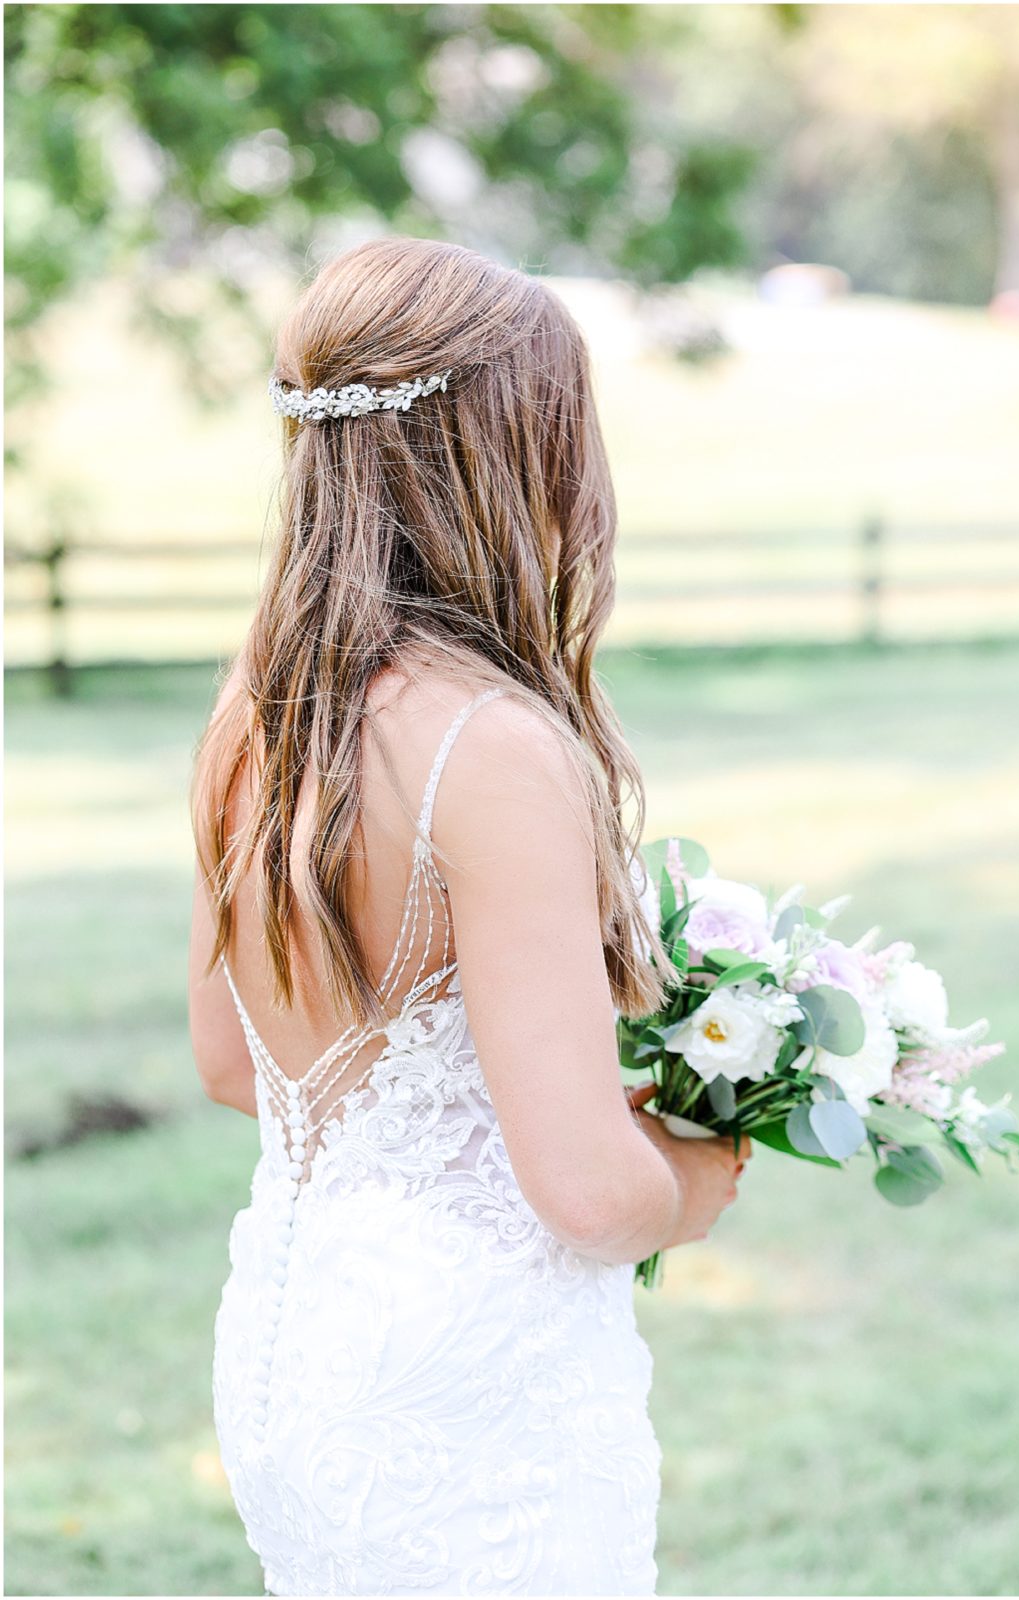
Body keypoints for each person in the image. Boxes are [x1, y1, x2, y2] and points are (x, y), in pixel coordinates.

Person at [187, 235, 751, 1598]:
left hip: (296, 1350)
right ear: (513, 458)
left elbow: (228, 1064)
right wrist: (706, 1169)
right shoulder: (489, 747)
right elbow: (587, 1194)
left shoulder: (250, 717)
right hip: (463, 1395)